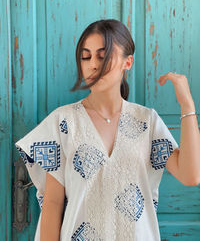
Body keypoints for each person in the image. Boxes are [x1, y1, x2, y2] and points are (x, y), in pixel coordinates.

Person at [15, 19, 197, 240]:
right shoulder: (63, 122)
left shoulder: (147, 122)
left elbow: (191, 175)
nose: (93, 64)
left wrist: (187, 106)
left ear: (127, 62)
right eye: (86, 56)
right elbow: (52, 205)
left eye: (102, 56)